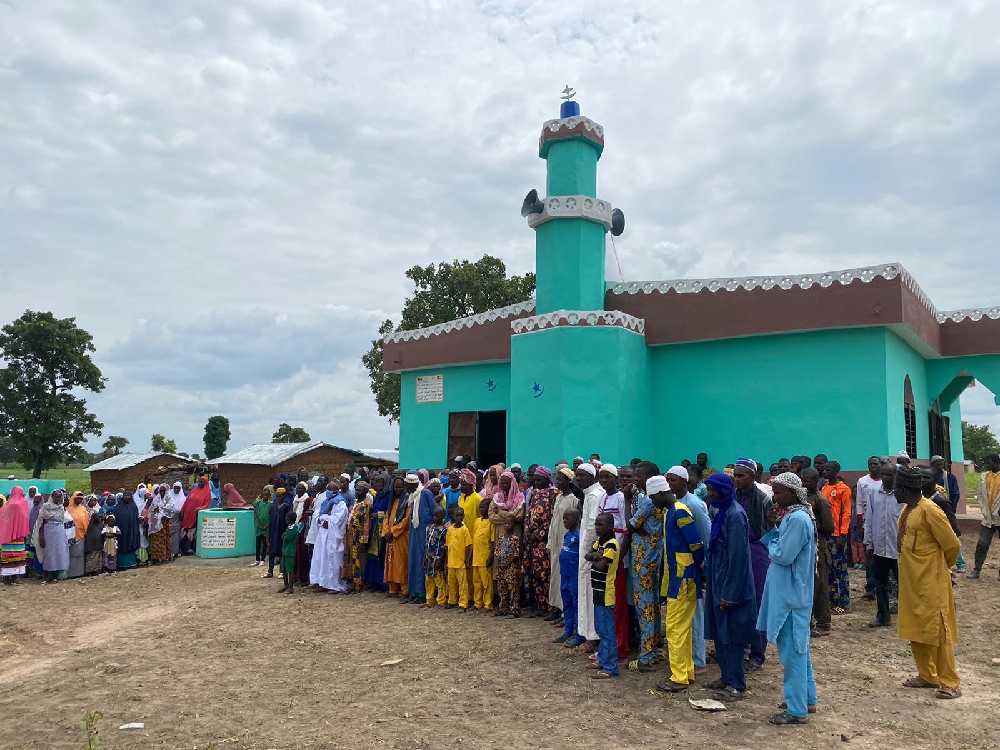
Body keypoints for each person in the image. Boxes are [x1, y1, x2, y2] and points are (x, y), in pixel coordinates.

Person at [894, 466, 962, 699]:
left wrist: (942, 569)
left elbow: (952, 545)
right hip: (911, 581)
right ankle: (927, 675)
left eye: (895, 487)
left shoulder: (930, 510)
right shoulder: (907, 510)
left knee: (938, 629)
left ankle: (950, 681)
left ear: (904, 489)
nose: (892, 491)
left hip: (931, 581)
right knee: (916, 627)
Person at [758, 473, 818, 726]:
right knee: (799, 651)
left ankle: (796, 710)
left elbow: (783, 555)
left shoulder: (797, 519)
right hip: (792, 594)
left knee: (793, 652)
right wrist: (774, 528)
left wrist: (772, 543)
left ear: (793, 493)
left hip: (792, 597)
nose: (775, 497)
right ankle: (806, 699)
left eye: (780, 492)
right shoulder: (793, 518)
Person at [703, 472, 757, 699]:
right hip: (717, 581)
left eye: (714, 490)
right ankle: (726, 677)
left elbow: (738, 557)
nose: (710, 494)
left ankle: (738, 685)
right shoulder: (720, 512)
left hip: (730, 586)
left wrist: (730, 593)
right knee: (719, 632)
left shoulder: (735, 515)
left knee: (731, 634)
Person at [653, 474, 705, 693]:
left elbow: (696, 544)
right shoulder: (670, 513)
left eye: (653, 498)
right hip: (678, 577)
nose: (652, 503)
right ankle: (686, 671)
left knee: (674, 628)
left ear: (661, 493)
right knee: (681, 628)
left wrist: (701, 572)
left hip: (684, 578)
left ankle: (679, 677)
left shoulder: (680, 512)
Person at [668, 465, 711, 675]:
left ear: (685, 482)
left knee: (695, 615)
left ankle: (698, 659)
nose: (670, 484)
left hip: (693, 567)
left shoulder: (693, 504)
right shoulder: (671, 505)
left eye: (673, 480)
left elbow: (704, 536)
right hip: (677, 567)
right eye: (667, 480)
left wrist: (704, 568)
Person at [733, 458, 773, 671]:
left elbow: (770, 530)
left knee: (758, 602)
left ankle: (757, 654)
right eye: (735, 475)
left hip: (758, 552)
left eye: (741, 476)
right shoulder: (735, 497)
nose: (737, 479)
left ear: (752, 476)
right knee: (738, 600)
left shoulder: (764, 499)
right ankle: (740, 648)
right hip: (739, 551)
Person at [625, 468, 665, 672]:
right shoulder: (656, 502)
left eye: (638, 476)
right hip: (653, 557)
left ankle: (646, 657)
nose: (634, 479)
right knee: (654, 606)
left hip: (642, 560)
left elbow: (629, 526)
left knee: (645, 609)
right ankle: (654, 649)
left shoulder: (649, 501)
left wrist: (625, 500)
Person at [596, 464, 629, 662]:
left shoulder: (621, 499)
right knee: (607, 604)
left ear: (615, 478)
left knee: (618, 605)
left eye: (608, 477)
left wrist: (618, 559)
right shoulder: (602, 498)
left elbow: (625, 532)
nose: (604, 480)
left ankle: (620, 649)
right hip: (604, 556)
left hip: (617, 559)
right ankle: (607, 648)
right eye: (601, 477)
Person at [864, 463, 901, 628]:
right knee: (881, 582)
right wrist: (869, 544)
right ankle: (883, 616)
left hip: (899, 548)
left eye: (889, 475)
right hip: (880, 547)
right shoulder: (874, 494)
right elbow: (870, 520)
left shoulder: (902, 495)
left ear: (896, 476)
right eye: (883, 474)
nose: (885, 477)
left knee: (904, 583)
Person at [585, 512, 621, 679]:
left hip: (606, 592)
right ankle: (602, 660)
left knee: (607, 631)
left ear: (610, 526)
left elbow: (601, 566)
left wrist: (595, 556)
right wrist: (594, 555)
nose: (597, 528)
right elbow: (588, 555)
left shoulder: (612, 545)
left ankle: (610, 667)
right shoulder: (601, 542)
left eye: (601, 525)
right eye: (596, 525)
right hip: (598, 591)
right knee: (600, 629)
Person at [575, 463, 606, 651]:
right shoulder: (589, 494)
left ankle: (593, 638)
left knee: (589, 593)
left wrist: (587, 551)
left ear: (592, 476)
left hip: (590, 553)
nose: (578, 479)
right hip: (585, 552)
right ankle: (587, 635)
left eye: (582, 475)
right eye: (577, 475)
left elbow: (592, 527)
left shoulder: (595, 495)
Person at [802, 469, 834, 636]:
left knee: (819, 586)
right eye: (802, 480)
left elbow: (829, 527)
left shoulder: (820, 500)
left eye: (807, 481)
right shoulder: (805, 498)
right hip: (808, 546)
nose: (804, 484)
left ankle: (823, 623)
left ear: (815, 482)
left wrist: (811, 525)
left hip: (819, 548)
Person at [525, 467, 557, 618]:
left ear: (547, 479)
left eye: (539, 480)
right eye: (535, 480)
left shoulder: (553, 494)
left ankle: (551, 607)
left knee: (546, 574)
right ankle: (540, 605)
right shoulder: (534, 493)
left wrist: (538, 534)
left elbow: (553, 518)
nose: (536, 482)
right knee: (535, 574)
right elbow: (528, 513)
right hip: (532, 542)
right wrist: (527, 530)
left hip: (544, 541)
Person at [547, 468, 579, 620]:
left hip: (567, 542)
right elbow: (553, 521)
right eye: (556, 480)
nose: (558, 482)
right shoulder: (559, 497)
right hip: (555, 540)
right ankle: (557, 607)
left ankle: (565, 613)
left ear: (569, 481)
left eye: (561, 480)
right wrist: (549, 543)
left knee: (565, 577)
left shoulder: (573, 499)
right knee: (556, 575)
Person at [821, 461, 852, 614]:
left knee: (839, 569)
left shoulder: (843, 489)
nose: (824, 471)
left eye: (828, 469)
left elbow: (846, 513)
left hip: (837, 535)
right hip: (826, 534)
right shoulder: (824, 488)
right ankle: (832, 600)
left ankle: (843, 602)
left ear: (836, 471)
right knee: (829, 569)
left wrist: (843, 534)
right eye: (824, 469)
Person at [310, 482, 349, 593]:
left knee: (332, 560)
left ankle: (333, 585)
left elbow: (337, 520)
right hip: (322, 535)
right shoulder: (326, 502)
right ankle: (321, 583)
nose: (327, 491)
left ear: (336, 491)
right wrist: (323, 519)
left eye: (329, 489)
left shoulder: (340, 503)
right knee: (321, 559)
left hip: (333, 537)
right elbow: (317, 515)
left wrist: (324, 519)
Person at [966, 453, 1000, 580]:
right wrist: (984, 510)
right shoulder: (984, 476)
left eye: (990, 463)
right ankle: (976, 570)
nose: (987, 465)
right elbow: (980, 495)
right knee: (982, 544)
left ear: (997, 462)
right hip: (988, 518)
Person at [405, 474, 437, 604]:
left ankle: (423, 593)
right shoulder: (412, 496)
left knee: (422, 561)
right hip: (414, 532)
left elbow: (435, 511)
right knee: (413, 560)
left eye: (408, 485)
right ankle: (413, 592)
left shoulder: (425, 494)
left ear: (413, 484)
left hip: (424, 533)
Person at [855, 457, 884, 597]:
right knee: (869, 553)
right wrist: (860, 524)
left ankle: (885, 586)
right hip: (868, 521)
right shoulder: (862, 481)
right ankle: (870, 586)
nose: (873, 466)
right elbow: (859, 503)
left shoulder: (885, 481)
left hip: (883, 521)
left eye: (875, 464)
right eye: (870, 464)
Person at [554, 508, 582, 645]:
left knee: (576, 604)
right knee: (567, 604)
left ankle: (579, 635)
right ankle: (568, 630)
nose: (565, 521)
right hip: (564, 574)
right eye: (564, 518)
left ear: (576, 520)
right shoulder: (567, 535)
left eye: (568, 518)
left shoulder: (579, 536)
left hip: (574, 576)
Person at [383, 475, 411, 600]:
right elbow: (386, 517)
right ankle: (392, 589)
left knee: (402, 563)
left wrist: (393, 531)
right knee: (390, 563)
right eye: (396, 487)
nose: (398, 489)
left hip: (401, 537)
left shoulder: (407, 502)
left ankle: (404, 590)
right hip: (390, 538)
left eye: (400, 487)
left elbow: (406, 521)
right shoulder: (391, 501)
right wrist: (386, 532)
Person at [363, 474, 392, 591]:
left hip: (383, 527)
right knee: (373, 555)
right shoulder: (377, 496)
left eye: (381, 482)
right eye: (377, 482)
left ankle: (383, 583)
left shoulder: (389, 495)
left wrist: (378, 515)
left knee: (381, 555)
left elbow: (389, 511)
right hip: (374, 527)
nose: (379, 485)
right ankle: (374, 582)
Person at [444, 506, 473, 611]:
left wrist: (466, 560)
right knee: (451, 583)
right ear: (453, 516)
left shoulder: (465, 530)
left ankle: (463, 603)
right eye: (457, 515)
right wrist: (447, 559)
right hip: (451, 561)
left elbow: (468, 545)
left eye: (461, 515)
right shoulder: (450, 529)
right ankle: (452, 601)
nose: (459, 517)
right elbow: (447, 545)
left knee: (462, 584)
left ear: (464, 516)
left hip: (460, 562)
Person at [346, 480, 372, 592]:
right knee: (351, 558)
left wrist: (364, 537)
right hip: (350, 535)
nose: (357, 492)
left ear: (365, 491)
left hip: (359, 536)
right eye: (356, 489)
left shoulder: (367, 504)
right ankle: (352, 581)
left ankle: (359, 583)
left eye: (360, 490)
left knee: (358, 559)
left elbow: (366, 522)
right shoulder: (356, 502)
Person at [0, 486, 30, 584]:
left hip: (6, 536)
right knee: (17, 556)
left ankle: (7, 579)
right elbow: (24, 519)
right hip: (18, 536)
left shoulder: (5, 506)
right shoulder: (22, 503)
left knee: (7, 556)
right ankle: (14, 578)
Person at [495, 515, 523, 618]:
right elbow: (497, 551)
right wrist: (500, 565)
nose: (507, 525)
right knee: (502, 588)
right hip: (501, 567)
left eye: (509, 523)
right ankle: (503, 608)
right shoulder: (502, 537)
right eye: (505, 523)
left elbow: (515, 554)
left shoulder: (515, 538)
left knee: (513, 589)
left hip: (511, 568)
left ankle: (514, 610)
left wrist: (506, 565)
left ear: (513, 525)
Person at [471, 497, 495, 612]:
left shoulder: (491, 523)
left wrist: (490, 557)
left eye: (483, 507)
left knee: (487, 582)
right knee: (476, 582)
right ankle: (477, 602)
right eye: (480, 507)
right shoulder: (477, 521)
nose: (481, 509)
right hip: (476, 556)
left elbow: (493, 541)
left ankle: (487, 604)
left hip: (485, 556)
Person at [179, 476, 212, 556]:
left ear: (206, 483)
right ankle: (182, 549)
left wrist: (200, 508)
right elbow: (187, 501)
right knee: (184, 531)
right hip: (187, 515)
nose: (200, 483)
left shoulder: (207, 493)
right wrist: (182, 510)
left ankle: (189, 549)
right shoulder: (194, 490)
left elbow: (206, 504)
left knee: (191, 532)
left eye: (202, 482)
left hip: (195, 515)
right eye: (199, 482)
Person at [423, 506, 448, 608]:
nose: (435, 517)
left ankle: (441, 601)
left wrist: (441, 559)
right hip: (429, 558)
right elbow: (426, 544)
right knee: (429, 581)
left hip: (438, 559)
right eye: (434, 515)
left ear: (443, 516)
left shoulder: (444, 530)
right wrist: (424, 557)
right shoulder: (430, 528)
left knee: (439, 582)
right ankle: (429, 601)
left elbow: (444, 546)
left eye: (438, 515)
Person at [114, 487, 141, 569]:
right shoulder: (118, 507)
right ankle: (122, 564)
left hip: (131, 530)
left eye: (128, 495)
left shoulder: (134, 506)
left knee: (130, 544)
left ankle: (131, 563)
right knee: (122, 545)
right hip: (121, 530)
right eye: (125, 495)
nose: (127, 497)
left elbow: (136, 518)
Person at [279, 510, 304, 594]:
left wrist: (284, 536)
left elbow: (286, 537)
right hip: (285, 550)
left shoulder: (295, 528)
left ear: (290, 519)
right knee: (284, 569)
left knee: (290, 570)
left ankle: (290, 587)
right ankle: (285, 586)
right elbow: (283, 536)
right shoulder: (289, 527)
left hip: (290, 551)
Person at [266, 488, 288, 577]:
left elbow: (287, 521)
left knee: (281, 552)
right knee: (271, 552)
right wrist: (268, 535)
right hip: (273, 532)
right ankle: (270, 571)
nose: (278, 498)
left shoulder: (286, 507)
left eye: (280, 496)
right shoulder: (273, 508)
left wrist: (286, 532)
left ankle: (282, 571)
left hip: (281, 532)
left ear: (284, 497)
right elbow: (270, 521)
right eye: (277, 497)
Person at [66, 491, 89, 579]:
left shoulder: (83, 508)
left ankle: (78, 573)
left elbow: (86, 521)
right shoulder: (67, 508)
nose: (79, 500)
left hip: (81, 535)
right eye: (77, 498)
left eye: (81, 499)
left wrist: (86, 533)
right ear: (73, 498)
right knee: (71, 555)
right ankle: (69, 574)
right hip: (69, 536)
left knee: (79, 554)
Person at [251, 486, 271, 567]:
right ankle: (257, 559)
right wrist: (258, 524)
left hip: (266, 527)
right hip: (258, 526)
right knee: (257, 543)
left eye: (267, 495)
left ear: (269, 495)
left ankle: (263, 559)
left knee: (264, 543)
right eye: (264, 494)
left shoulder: (271, 504)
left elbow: (271, 516)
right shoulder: (258, 503)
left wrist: (267, 525)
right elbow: (255, 514)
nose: (265, 496)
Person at [83, 497, 104, 575]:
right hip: (92, 543)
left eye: (95, 500)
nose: (93, 502)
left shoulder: (100, 523)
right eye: (91, 500)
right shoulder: (90, 525)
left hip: (98, 543)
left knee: (98, 556)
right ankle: (90, 571)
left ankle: (97, 570)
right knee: (91, 556)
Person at [164, 482, 184, 559]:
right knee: (168, 536)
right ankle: (168, 552)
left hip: (178, 519)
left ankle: (175, 552)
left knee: (176, 536)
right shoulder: (169, 496)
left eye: (178, 488)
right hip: (169, 518)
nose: (176, 489)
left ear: (180, 489)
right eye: (175, 488)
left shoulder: (183, 498)